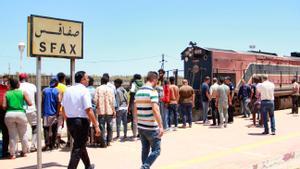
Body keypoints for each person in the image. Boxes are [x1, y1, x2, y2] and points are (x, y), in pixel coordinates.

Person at [62, 71, 100, 169]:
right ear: (82, 79)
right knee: (78, 148)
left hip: (70, 121)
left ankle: (88, 165)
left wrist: (67, 120)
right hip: (81, 122)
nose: (88, 80)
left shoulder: (68, 90)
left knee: (80, 144)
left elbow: (62, 108)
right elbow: (88, 109)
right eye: (87, 78)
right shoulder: (84, 90)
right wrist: (96, 125)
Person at [134, 71, 163, 169]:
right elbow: (155, 109)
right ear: (154, 79)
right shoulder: (152, 92)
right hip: (151, 127)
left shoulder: (138, 91)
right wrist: (161, 126)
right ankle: (144, 167)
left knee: (145, 149)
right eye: (157, 80)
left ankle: (144, 166)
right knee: (156, 150)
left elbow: (135, 109)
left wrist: (137, 122)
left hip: (141, 126)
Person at [2, 78, 32, 159]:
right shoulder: (23, 92)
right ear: (18, 84)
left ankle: (13, 154)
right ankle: (24, 152)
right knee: (23, 134)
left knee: (12, 135)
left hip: (9, 114)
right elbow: (30, 103)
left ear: (10, 85)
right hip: (21, 114)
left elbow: (4, 106)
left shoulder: (7, 93)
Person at [94, 76, 116, 147]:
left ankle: (103, 143)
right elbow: (113, 101)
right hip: (109, 111)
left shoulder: (98, 89)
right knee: (110, 126)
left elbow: (95, 100)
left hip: (101, 111)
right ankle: (109, 141)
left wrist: (97, 106)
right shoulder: (110, 89)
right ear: (107, 81)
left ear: (101, 81)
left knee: (102, 127)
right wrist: (114, 110)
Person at [19, 73, 38, 152]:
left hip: (21, 110)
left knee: (23, 129)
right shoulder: (32, 86)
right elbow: (37, 98)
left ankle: (25, 147)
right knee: (35, 127)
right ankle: (33, 145)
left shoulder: (18, 86)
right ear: (27, 78)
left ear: (19, 79)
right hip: (32, 109)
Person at [42, 77, 61, 151]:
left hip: (46, 113)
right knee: (54, 129)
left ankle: (47, 144)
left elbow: (42, 102)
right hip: (54, 113)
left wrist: (42, 112)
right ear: (56, 83)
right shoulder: (57, 91)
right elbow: (59, 101)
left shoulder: (44, 90)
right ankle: (52, 145)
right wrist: (57, 111)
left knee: (46, 129)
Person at [128, 74, 143, 139]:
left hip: (135, 102)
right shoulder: (143, 84)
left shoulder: (134, 84)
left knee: (135, 119)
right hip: (142, 102)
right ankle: (140, 134)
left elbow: (132, 94)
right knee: (141, 119)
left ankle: (134, 135)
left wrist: (130, 105)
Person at [56, 72, 67, 147]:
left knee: (54, 125)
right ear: (63, 79)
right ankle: (58, 140)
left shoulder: (54, 86)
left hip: (53, 109)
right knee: (59, 125)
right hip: (61, 109)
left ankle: (54, 140)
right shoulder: (64, 87)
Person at [0, 75, 9, 158]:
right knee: (5, 132)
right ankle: (4, 152)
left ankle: (4, 151)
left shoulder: (6, 89)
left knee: (5, 132)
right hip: (3, 111)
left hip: (3, 111)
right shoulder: (7, 89)